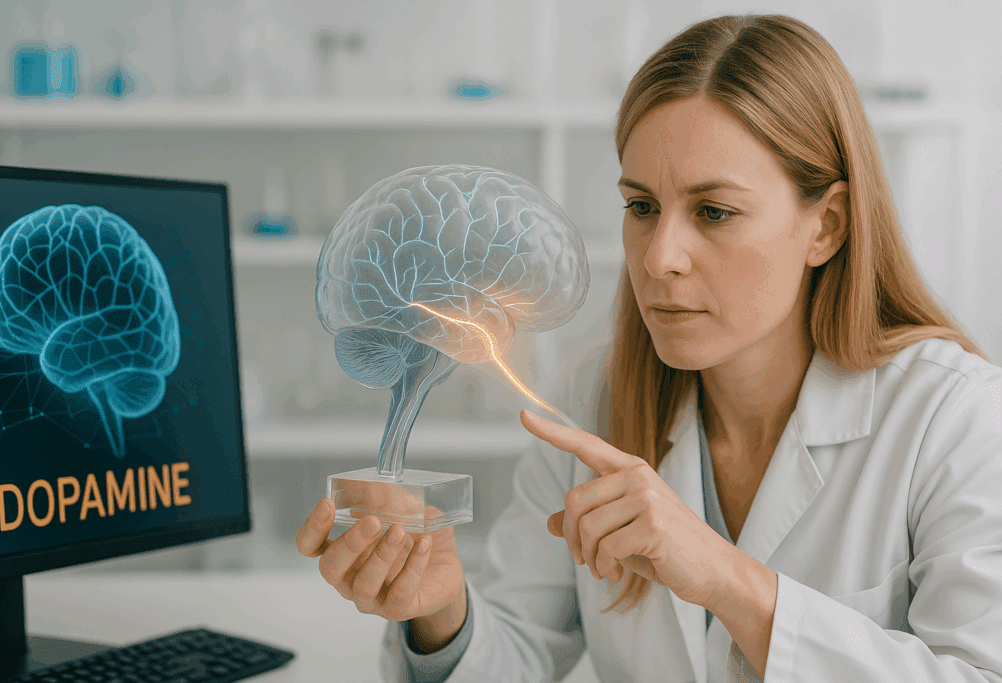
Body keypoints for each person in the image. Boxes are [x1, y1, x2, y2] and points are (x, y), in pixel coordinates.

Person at [296, 13, 1002, 683]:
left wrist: (728, 580)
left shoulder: (955, 418)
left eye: (714, 212)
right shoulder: (590, 400)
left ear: (828, 225)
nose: (659, 257)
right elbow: (516, 650)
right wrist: (440, 611)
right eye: (641, 207)